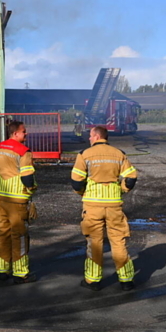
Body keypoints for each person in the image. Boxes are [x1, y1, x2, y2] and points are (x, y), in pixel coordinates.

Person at [71, 125, 137, 291]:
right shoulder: (119, 153)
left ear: (95, 136)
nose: (89, 138)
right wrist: (122, 189)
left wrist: (82, 193)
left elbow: (77, 182)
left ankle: (93, 281)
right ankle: (126, 280)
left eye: (90, 136)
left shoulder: (84, 154)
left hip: (93, 206)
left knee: (95, 243)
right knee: (119, 241)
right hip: (114, 205)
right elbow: (131, 178)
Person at [0, 120, 36, 284]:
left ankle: (2, 270)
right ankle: (20, 274)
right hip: (17, 200)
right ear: (15, 133)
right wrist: (32, 189)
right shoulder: (23, 151)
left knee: (2, 233)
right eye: (24, 131)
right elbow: (27, 178)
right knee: (18, 236)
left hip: (0, 197)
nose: (26, 134)